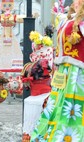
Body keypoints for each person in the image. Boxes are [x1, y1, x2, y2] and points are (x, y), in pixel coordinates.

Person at [30, 0, 84, 141]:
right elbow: (58, 15)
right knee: (58, 104)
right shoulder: (69, 19)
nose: (76, 2)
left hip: (77, 73)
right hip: (64, 71)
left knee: (73, 105)